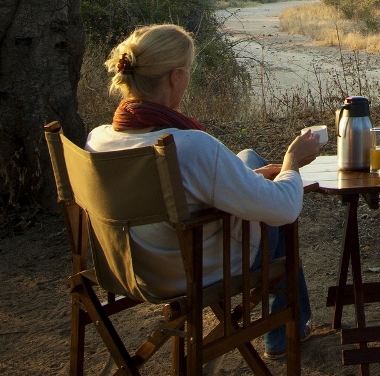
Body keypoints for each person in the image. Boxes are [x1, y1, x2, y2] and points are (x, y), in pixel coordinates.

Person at [85, 23, 320, 358]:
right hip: (188, 269)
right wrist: (292, 162)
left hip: (124, 265)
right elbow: (284, 208)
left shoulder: (99, 139)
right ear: (175, 77)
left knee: (249, 162)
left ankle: (291, 328)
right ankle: (286, 333)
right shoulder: (189, 146)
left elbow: (180, 191)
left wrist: (252, 177)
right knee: (278, 217)